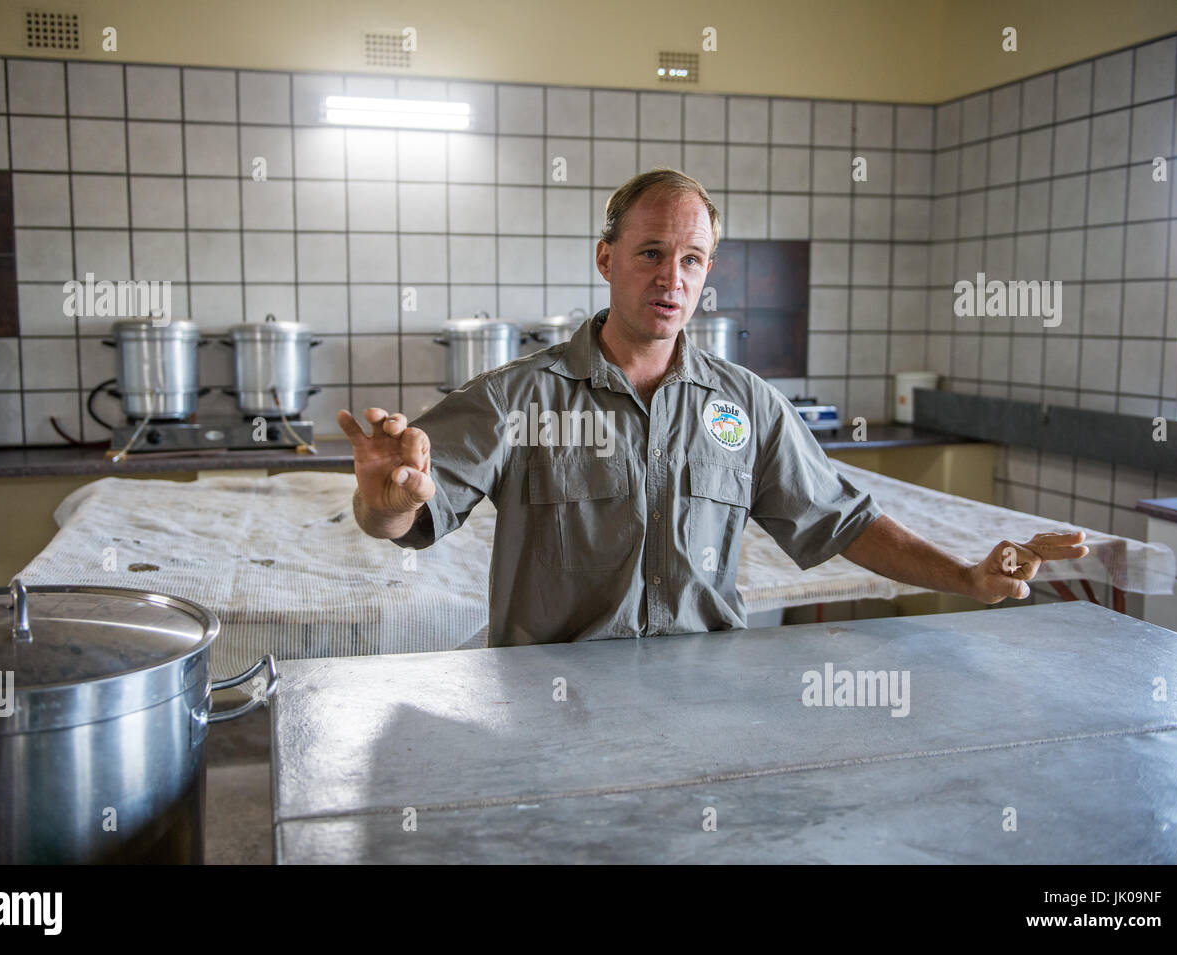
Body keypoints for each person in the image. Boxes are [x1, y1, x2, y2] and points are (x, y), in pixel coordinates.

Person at [340, 168, 1088, 647]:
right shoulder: (517, 396)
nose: (673, 277)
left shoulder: (746, 405)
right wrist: (382, 502)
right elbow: (404, 516)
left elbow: (842, 519)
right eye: (651, 253)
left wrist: (966, 575)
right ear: (607, 259)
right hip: (552, 706)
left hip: (704, 698)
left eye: (692, 259)